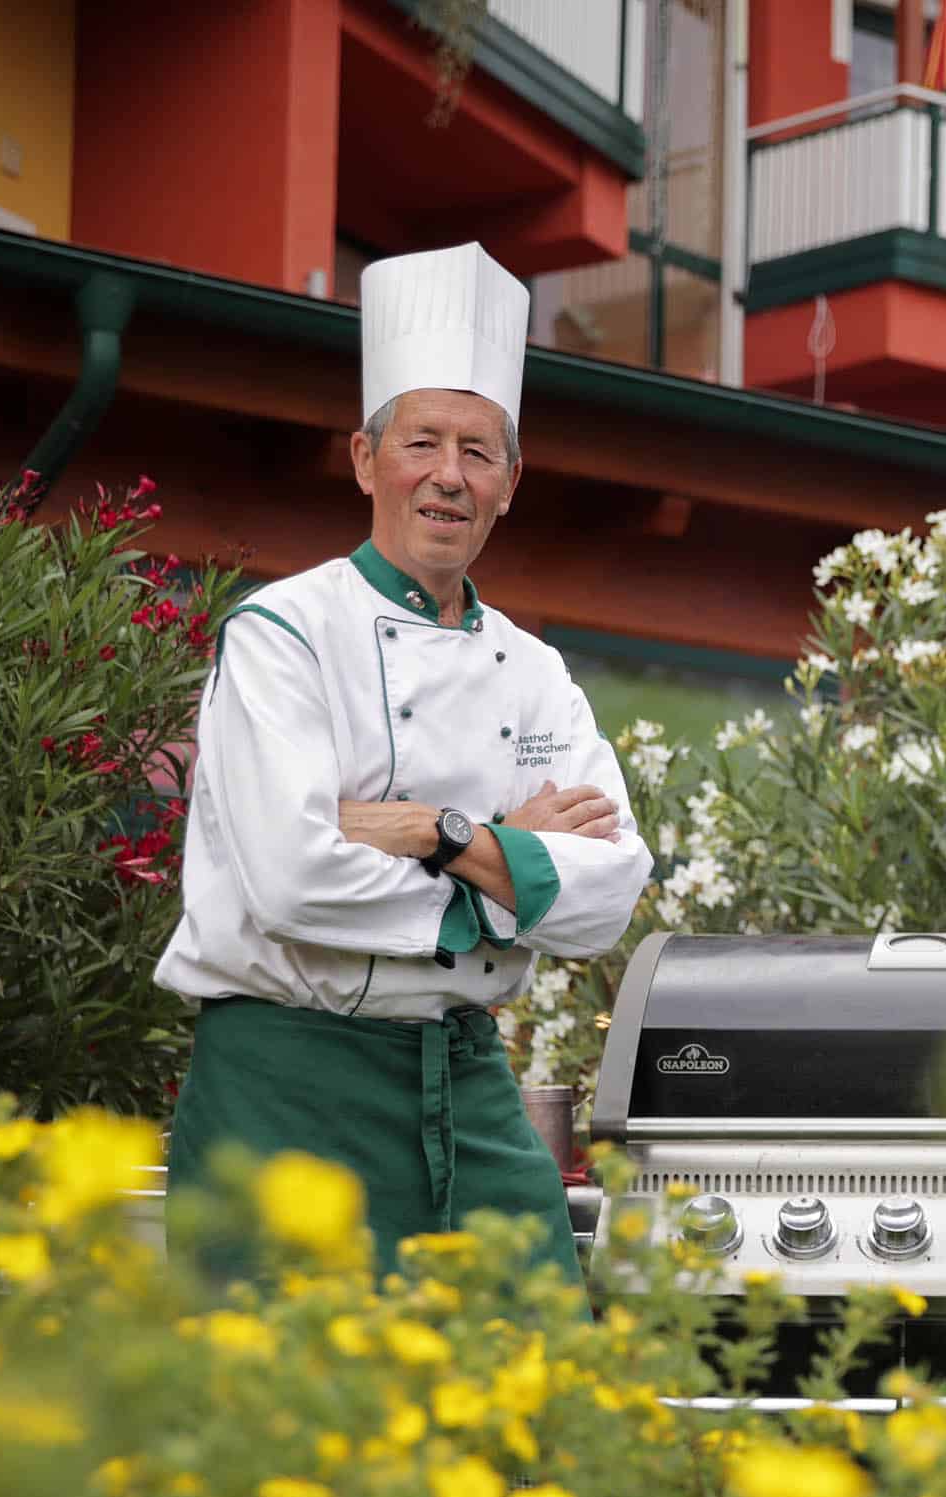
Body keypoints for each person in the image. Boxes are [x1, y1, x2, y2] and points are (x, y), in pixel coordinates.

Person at [156, 242, 654, 1280]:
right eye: (421, 442)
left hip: (467, 1082)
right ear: (364, 461)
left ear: (511, 484)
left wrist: (435, 830)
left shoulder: (534, 671)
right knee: (285, 1417)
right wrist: (509, 862)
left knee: (537, 1390)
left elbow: (609, 895)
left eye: (479, 452)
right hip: (283, 1082)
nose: (448, 476)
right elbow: (293, 877)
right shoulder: (282, 632)